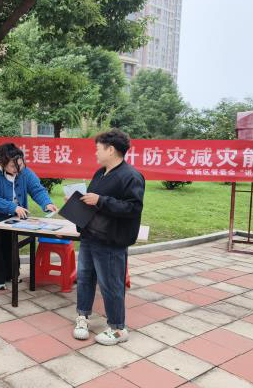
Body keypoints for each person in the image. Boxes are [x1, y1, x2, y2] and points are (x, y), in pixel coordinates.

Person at [72, 128, 145, 346]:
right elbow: (93, 201)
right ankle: (82, 316)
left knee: (111, 284)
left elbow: (133, 208)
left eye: (98, 149)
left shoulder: (131, 176)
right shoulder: (100, 173)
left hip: (111, 241)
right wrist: (77, 203)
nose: (95, 153)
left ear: (111, 150)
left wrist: (100, 200)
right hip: (89, 236)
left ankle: (118, 328)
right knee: (84, 278)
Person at [0, 143, 58, 290]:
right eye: (13, 166)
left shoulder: (24, 172)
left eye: (20, 164)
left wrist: (46, 203)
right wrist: (13, 207)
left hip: (11, 217)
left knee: (10, 245)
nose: (17, 169)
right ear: (2, 163)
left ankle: (11, 274)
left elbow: (37, 189)